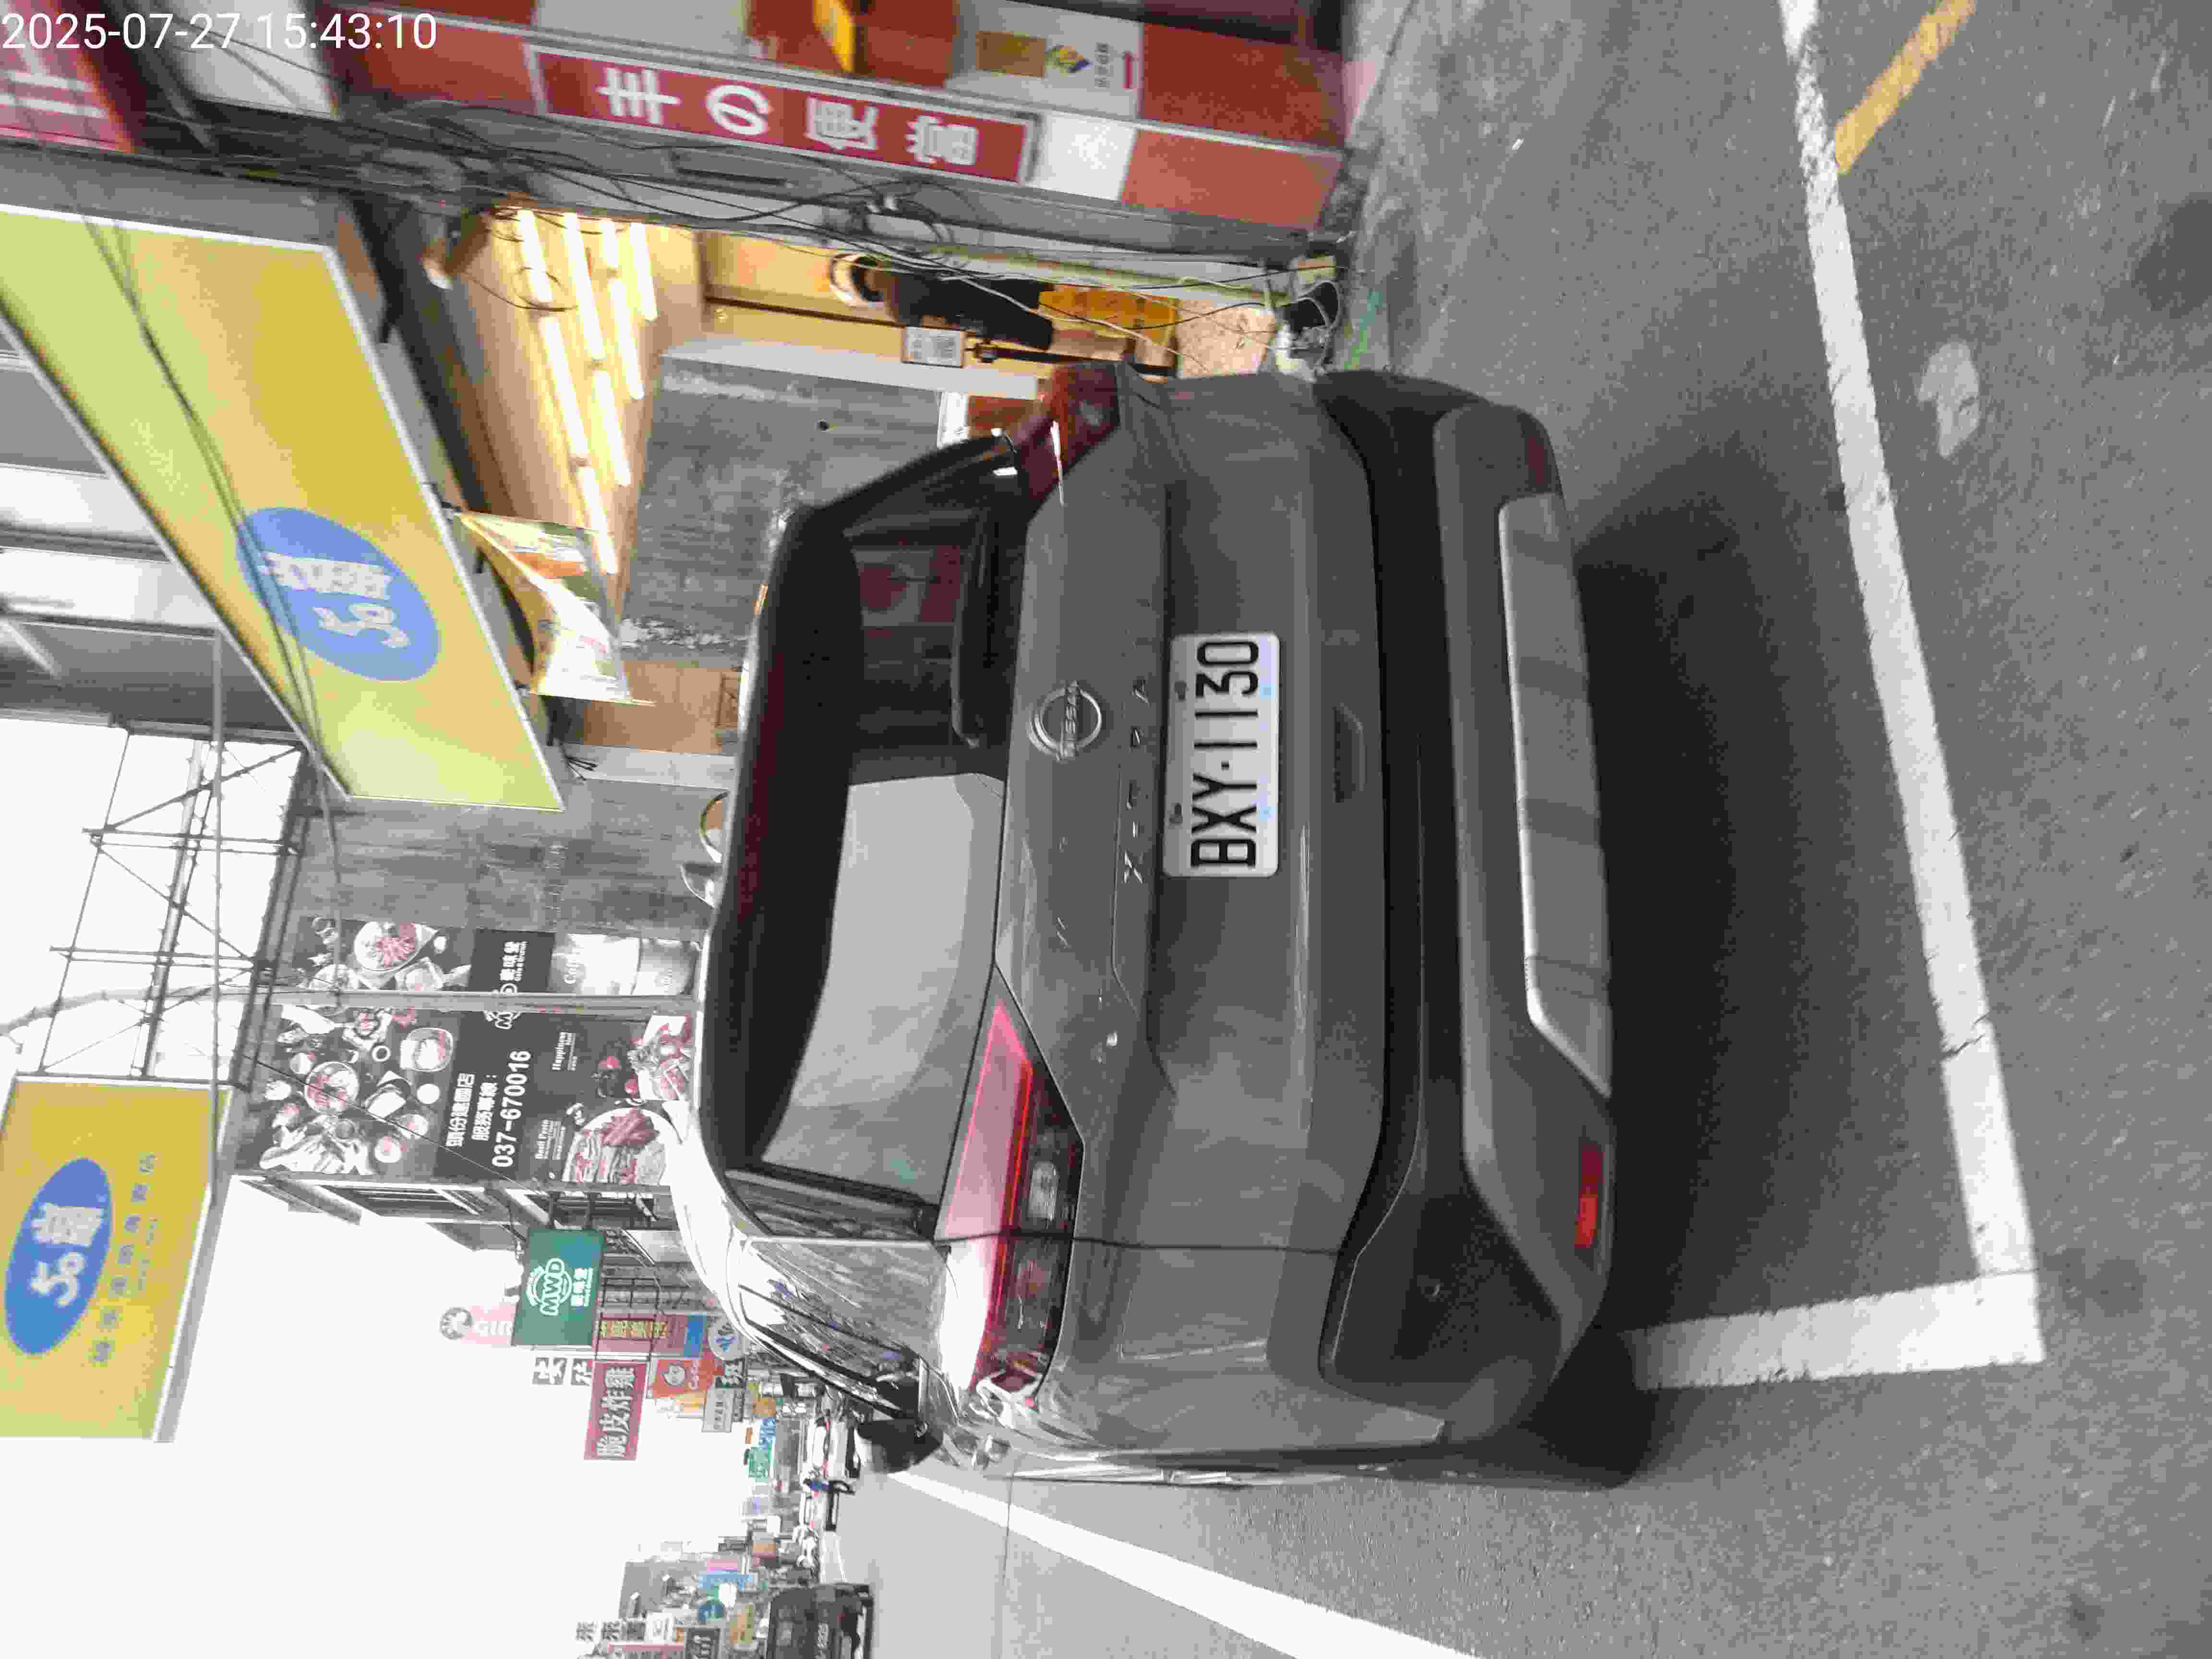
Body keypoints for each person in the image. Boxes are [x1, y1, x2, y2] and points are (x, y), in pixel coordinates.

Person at [830, 254, 1057, 354]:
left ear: (863, 295)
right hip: (990, 277)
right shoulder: (899, 254)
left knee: (1055, 339)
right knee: (1058, 284)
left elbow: (942, 328)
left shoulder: (896, 309)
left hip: (987, 317)